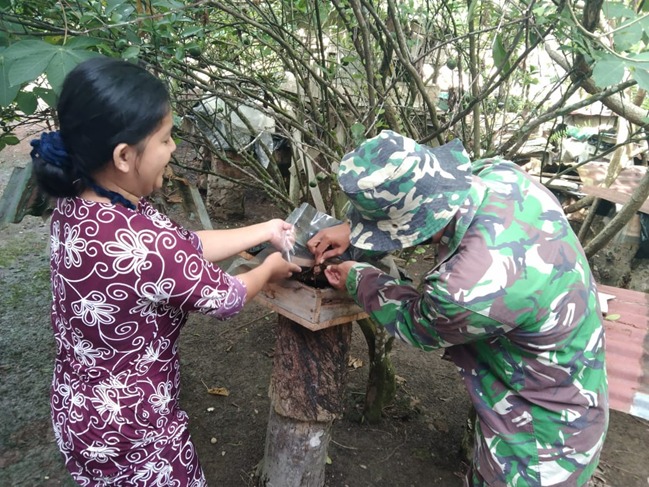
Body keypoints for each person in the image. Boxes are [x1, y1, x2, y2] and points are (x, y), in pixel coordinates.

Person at [30, 56, 301, 486]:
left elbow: (184, 246)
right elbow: (227, 295)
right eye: (165, 138)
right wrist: (268, 267)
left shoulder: (79, 203)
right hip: (133, 431)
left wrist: (265, 229)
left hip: (78, 407)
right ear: (124, 156)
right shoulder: (146, 245)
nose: (173, 149)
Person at [307, 130, 608, 487]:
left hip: (541, 444)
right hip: (573, 386)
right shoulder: (500, 175)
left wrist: (358, 278)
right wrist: (354, 230)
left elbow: (416, 323)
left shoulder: (466, 290)